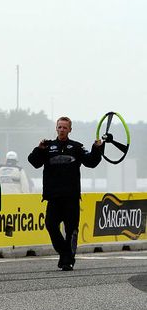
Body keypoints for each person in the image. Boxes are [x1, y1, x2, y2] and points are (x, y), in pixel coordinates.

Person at [28, 116, 103, 271]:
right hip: (53, 197)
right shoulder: (48, 147)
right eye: (59, 127)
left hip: (71, 198)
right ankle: (65, 253)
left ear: (70, 129)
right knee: (50, 225)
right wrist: (39, 149)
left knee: (71, 231)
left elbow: (92, 162)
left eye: (65, 127)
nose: (62, 130)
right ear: (56, 128)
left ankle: (67, 260)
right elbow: (34, 162)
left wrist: (97, 148)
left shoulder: (76, 147)